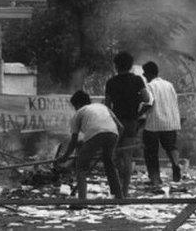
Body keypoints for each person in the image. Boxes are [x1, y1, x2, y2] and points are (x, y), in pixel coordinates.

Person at [56, 91, 124, 199]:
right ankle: (119, 197)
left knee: (81, 167)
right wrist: (113, 147)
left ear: (77, 104)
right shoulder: (102, 107)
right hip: (113, 133)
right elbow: (120, 127)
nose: (75, 109)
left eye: (74, 106)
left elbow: (73, 141)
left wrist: (65, 157)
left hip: (95, 133)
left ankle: (82, 200)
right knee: (109, 164)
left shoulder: (78, 113)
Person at [104, 52, 148, 196]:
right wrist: (138, 112)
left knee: (114, 155)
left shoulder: (111, 82)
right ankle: (125, 191)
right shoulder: (137, 80)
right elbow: (147, 98)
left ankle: (117, 189)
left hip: (116, 123)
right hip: (131, 122)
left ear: (116, 65)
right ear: (130, 65)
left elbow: (107, 105)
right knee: (128, 155)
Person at [140, 61, 182, 184]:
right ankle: (176, 165)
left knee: (151, 152)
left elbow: (149, 102)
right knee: (171, 147)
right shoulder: (169, 85)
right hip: (170, 122)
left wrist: (139, 114)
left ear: (147, 73)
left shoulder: (149, 86)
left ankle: (155, 178)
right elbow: (174, 100)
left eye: (144, 73)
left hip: (154, 123)